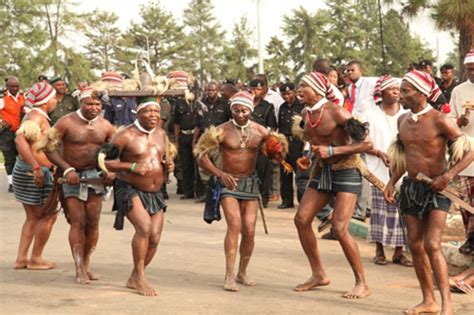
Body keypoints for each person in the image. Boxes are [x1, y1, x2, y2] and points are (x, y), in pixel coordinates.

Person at [384, 70, 473, 315]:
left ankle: (447, 305)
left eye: (405, 91)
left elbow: (470, 152)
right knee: (415, 244)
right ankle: (428, 301)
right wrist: (392, 182)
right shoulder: (402, 120)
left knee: (432, 244)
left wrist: (447, 176)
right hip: (412, 189)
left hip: (438, 189)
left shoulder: (440, 120)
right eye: (400, 91)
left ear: (422, 93)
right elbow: (403, 156)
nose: (400, 95)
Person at [195, 90, 287, 292]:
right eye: (236, 110)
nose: (240, 114)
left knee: (250, 229)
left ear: (251, 110)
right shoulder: (220, 130)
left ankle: (242, 271)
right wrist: (219, 174)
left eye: (244, 110)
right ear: (231, 110)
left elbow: (276, 154)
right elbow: (201, 156)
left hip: (249, 183)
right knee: (234, 225)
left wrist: (277, 153)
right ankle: (229, 275)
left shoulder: (261, 131)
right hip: (229, 183)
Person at [293, 71, 373, 299]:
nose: (299, 90)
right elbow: (314, 141)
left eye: (304, 86)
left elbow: (366, 143)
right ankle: (318, 274)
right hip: (323, 170)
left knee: (339, 228)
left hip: (347, 169)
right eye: (299, 86)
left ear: (317, 90)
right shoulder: (306, 113)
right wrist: (308, 156)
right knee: (301, 219)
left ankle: (362, 282)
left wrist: (333, 151)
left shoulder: (336, 111)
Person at [40, 88, 115, 284]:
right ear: (80, 103)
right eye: (89, 104)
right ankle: (78, 267)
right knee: (78, 221)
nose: (93, 107)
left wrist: (109, 170)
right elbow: (48, 148)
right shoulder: (66, 122)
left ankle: (87, 264)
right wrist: (66, 169)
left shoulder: (106, 126)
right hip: (72, 176)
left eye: (97, 104)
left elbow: (115, 152)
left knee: (93, 222)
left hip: (95, 177)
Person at [101, 97, 175, 296]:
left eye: (156, 111)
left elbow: (165, 157)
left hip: (155, 192)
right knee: (144, 227)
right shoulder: (124, 135)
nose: (153, 115)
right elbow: (105, 162)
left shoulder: (160, 133)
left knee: (155, 237)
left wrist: (169, 165)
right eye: (148, 111)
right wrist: (132, 166)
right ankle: (140, 278)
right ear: (137, 112)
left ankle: (135, 276)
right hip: (129, 188)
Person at [363, 75, 412, 267]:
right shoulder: (370, 114)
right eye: (391, 89)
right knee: (380, 210)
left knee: (402, 211)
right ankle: (379, 251)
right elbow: (361, 141)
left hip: (403, 169)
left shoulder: (407, 115)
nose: (396, 92)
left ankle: (399, 253)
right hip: (378, 170)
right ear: (381, 92)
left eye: (398, 89)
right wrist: (378, 152)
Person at [12, 82, 58, 270]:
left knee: (32, 217)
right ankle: (35, 258)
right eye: (54, 97)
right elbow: (19, 139)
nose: (56, 101)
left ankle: (22, 258)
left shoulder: (36, 116)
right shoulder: (36, 117)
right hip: (33, 172)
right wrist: (36, 167)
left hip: (28, 170)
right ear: (47, 101)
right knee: (47, 216)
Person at [448, 50, 474, 255]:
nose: (472, 73)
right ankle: (469, 238)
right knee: (465, 204)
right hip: (464, 155)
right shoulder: (458, 91)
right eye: (468, 70)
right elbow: (450, 120)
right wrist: (459, 122)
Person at [345, 60, 375, 222]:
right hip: (354, 130)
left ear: (360, 71)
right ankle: (366, 207)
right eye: (348, 71)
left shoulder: (370, 84)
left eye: (353, 70)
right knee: (361, 168)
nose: (350, 73)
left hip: (367, 131)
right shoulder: (350, 88)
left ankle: (361, 209)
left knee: (363, 169)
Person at [193, 81, 231, 202]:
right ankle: (206, 194)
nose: (211, 93)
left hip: (218, 141)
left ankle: (220, 194)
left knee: (219, 167)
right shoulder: (201, 104)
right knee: (203, 168)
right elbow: (197, 125)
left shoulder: (225, 105)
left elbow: (230, 123)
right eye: (209, 90)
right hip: (204, 141)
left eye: (213, 90)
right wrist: (194, 142)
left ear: (218, 90)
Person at [249, 78, 277, 207]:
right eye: (254, 88)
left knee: (263, 172)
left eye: (259, 89)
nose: (256, 91)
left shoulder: (267, 106)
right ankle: (249, 196)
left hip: (261, 144)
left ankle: (263, 199)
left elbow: (272, 126)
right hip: (246, 144)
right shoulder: (244, 103)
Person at [277, 83, 305, 208]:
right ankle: (287, 201)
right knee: (285, 172)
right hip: (284, 142)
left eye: (288, 93)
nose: (286, 96)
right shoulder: (282, 107)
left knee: (300, 174)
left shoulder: (302, 106)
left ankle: (303, 201)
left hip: (297, 142)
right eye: (283, 94)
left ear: (294, 92)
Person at [0, 77, 24, 192]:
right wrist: (1, 121)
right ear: (7, 87)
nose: (15, 88)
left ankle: (22, 182)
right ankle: (11, 184)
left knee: (23, 157)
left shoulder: (23, 97)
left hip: (21, 133)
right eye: (12, 86)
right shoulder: (2, 99)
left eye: (16, 86)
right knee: (10, 159)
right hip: (7, 133)